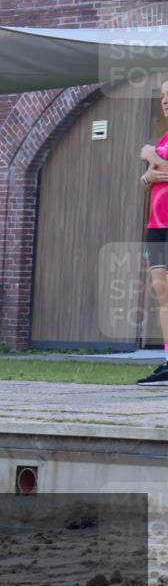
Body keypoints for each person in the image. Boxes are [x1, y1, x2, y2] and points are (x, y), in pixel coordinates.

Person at [137, 79, 168, 387]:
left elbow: (161, 168)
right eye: (162, 97)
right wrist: (149, 172)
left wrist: (149, 155)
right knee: (162, 292)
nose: (166, 101)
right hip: (156, 226)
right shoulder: (164, 139)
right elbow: (147, 181)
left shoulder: (155, 147)